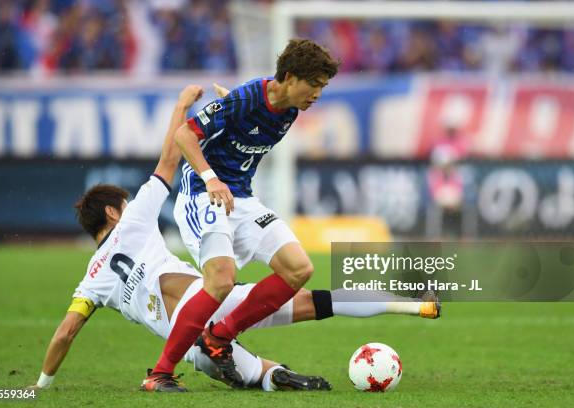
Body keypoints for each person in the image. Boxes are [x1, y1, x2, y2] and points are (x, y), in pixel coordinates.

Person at [29, 83, 441, 393]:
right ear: (113, 212)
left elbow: (65, 334)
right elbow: (170, 159)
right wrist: (181, 106)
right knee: (315, 302)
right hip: (215, 302)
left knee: (254, 374)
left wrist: (39, 387)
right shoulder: (134, 218)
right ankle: (408, 305)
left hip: (191, 346)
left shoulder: (91, 280)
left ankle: (270, 372)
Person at [149, 38, 431, 390]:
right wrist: (210, 178)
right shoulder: (247, 98)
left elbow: (240, 127)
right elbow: (183, 136)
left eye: (323, 87)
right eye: (314, 85)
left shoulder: (290, 110)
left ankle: (219, 337)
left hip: (242, 198)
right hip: (203, 193)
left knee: (299, 268)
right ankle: (159, 373)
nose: (317, 94)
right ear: (291, 77)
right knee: (221, 280)